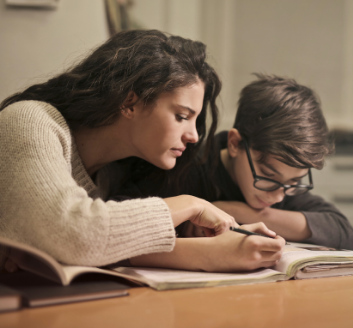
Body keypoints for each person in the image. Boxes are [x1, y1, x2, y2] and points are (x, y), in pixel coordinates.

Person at [0, 30, 285, 273]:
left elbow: (98, 245)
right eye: (182, 116)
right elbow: (77, 235)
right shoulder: (30, 121)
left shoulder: (113, 172)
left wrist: (209, 244)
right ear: (129, 102)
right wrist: (190, 204)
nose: (194, 136)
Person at [134, 74, 353, 250]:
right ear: (235, 143)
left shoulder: (282, 186)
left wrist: (242, 212)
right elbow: (123, 224)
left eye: (295, 182)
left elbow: (342, 231)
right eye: (268, 176)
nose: (278, 196)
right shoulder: (182, 166)